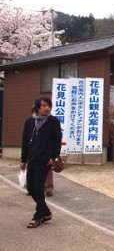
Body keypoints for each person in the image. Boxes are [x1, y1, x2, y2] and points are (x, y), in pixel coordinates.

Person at [20, 97, 62, 228]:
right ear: (37, 107)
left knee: (38, 186)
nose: (47, 108)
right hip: (32, 158)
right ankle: (46, 212)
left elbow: (57, 141)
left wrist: (53, 157)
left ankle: (38, 216)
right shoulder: (29, 122)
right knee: (31, 188)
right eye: (44, 106)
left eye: (48, 105)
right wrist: (23, 159)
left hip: (45, 159)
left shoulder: (53, 122)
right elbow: (25, 142)